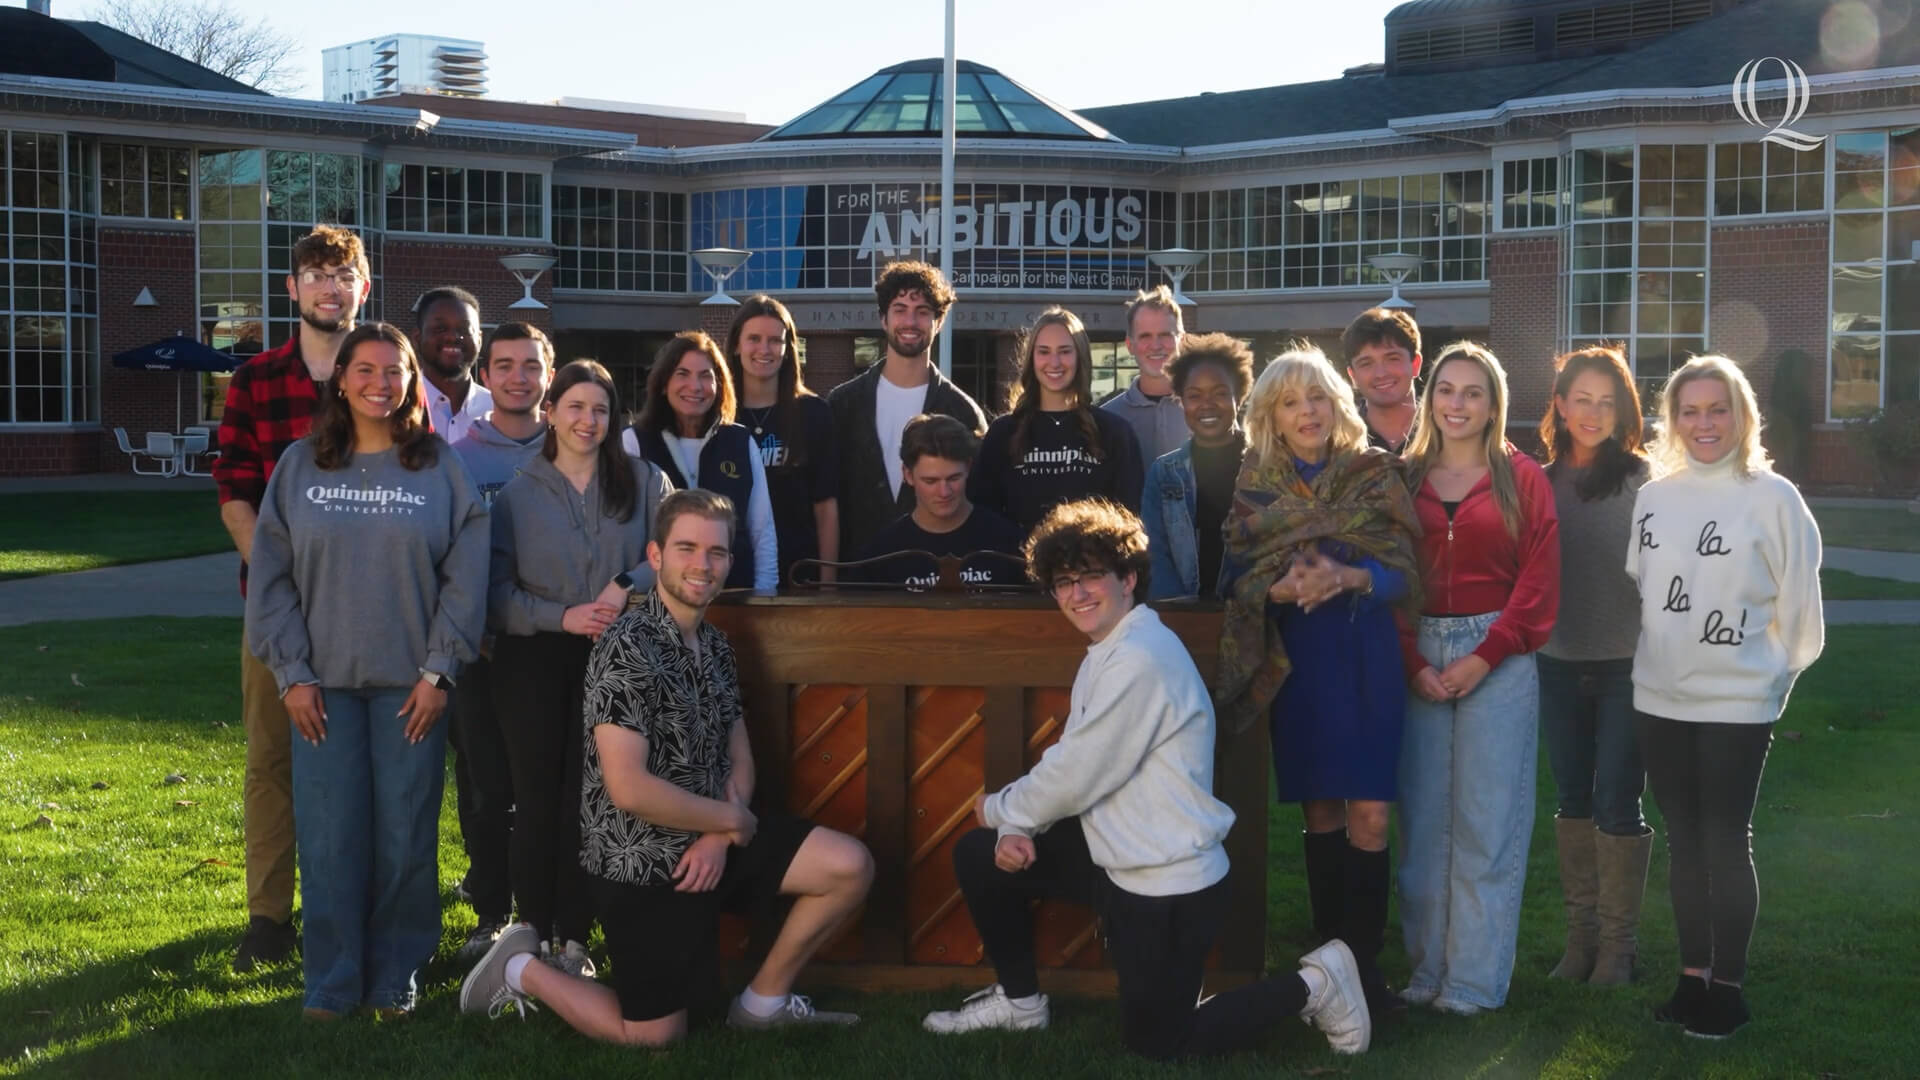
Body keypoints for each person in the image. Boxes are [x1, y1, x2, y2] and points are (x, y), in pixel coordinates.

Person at [922, 499, 1372, 1061]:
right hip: (1117, 856)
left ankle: (1317, 983)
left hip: (1169, 882)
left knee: (1161, 1044)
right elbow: (1078, 757)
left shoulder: (1139, 656)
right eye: (1064, 582)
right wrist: (1015, 826)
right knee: (982, 856)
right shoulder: (1110, 648)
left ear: (1129, 578)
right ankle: (1020, 1004)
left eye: (1092, 578)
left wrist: (999, 808)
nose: (1078, 594)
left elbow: (1079, 774)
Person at [462, 490, 875, 1044]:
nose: (702, 564)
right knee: (655, 1037)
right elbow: (628, 787)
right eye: (687, 548)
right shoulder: (625, 645)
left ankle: (761, 1003)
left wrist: (720, 836)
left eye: (716, 552)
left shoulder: (716, 646)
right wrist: (724, 822)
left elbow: (741, 758)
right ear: (655, 556)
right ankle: (519, 967)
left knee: (848, 866)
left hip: (713, 842)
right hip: (641, 859)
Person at [245, 322, 489, 1018]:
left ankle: (394, 974)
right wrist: (291, 673)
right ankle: (332, 977)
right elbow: (271, 579)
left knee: (406, 837)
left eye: (395, 371)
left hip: (410, 687)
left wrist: (440, 671)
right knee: (329, 837)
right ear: (342, 379)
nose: (381, 384)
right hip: (320, 690)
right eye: (366, 370)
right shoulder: (300, 466)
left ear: (412, 381)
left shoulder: (438, 466)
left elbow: (467, 578)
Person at [1214, 345, 1422, 1014]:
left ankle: (1363, 968)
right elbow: (1232, 581)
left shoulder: (1373, 475)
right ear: (1272, 416)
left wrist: (1351, 576)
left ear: (1338, 405)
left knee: (1370, 810)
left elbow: (1407, 575)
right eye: (1293, 402)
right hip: (1300, 669)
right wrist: (1279, 589)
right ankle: (1327, 957)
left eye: (1319, 398)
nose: (1309, 412)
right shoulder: (1254, 488)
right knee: (1323, 810)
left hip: (1366, 662)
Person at [1626, 355, 1823, 1040]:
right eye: (1690, 410)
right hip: (1659, 696)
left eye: (1718, 410)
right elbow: (1643, 583)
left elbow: (1802, 612)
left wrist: (1769, 680)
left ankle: (1728, 991)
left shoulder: (1773, 499)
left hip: (1737, 703)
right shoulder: (1655, 495)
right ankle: (1692, 980)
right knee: (1683, 842)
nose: (1703, 423)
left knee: (1723, 840)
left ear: (1742, 417)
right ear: (1672, 419)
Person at [214, 223, 372, 972]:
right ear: (293, 289)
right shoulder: (255, 382)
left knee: (359, 767)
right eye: (316, 274)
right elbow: (234, 493)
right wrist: (280, 582)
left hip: (370, 616)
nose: (329, 287)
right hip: (273, 613)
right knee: (272, 761)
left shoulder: (381, 375)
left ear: (362, 289)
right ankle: (269, 917)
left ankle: (353, 906)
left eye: (343, 275)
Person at [489, 359, 674, 978]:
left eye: (600, 409)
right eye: (574, 407)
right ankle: (532, 930)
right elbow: (495, 594)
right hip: (535, 660)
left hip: (618, 660)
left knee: (595, 798)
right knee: (538, 796)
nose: (587, 420)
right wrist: (559, 616)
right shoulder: (516, 496)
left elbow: (673, 555)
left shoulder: (645, 482)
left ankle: (577, 936)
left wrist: (627, 581)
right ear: (550, 413)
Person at [1395, 341, 1560, 1015]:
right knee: (1426, 827)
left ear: (1494, 404)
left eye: (1473, 392)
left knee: (1487, 825)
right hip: (1420, 653)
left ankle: (1473, 982)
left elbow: (1540, 580)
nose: (1456, 404)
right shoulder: (1402, 479)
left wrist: (1483, 655)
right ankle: (1427, 970)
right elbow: (1391, 579)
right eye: (1445, 389)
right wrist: (1413, 661)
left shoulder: (1522, 477)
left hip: (1499, 653)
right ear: (1429, 397)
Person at [1534, 346, 1654, 987]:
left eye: (1607, 401)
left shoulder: (1645, 483)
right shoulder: (1539, 483)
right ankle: (1580, 942)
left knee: (1617, 802)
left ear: (1623, 410)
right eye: (1581, 398)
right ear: (1559, 404)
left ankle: (1619, 950)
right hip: (1556, 665)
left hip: (1626, 669)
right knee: (1573, 799)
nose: (1593, 411)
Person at [448, 322, 556, 959]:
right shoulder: (457, 457)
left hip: (554, 649)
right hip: (482, 653)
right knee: (487, 790)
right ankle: (490, 914)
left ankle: (550, 916)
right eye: (506, 365)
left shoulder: (572, 449)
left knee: (548, 788)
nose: (519, 377)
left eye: (531, 366)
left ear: (550, 372)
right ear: (485, 376)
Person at [827, 260, 987, 558]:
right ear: (884, 319)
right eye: (900, 309)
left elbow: (976, 502)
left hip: (934, 578)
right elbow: (825, 500)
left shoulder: (962, 412)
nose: (910, 322)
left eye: (922, 312)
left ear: (938, 322)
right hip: (855, 576)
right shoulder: (842, 405)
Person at [624, 332, 777, 591]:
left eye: (706, 376)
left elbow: (761, 529)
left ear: (719, 385)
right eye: (682, 374)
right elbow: (624, 536)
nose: (695, 386)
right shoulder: (634, 442)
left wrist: (766, 592)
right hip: (661, 601)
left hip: (735, 596)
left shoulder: (740, 441)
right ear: (663, 383)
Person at [970, 307, 1144, 535]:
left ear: (1080, 356)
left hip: (1091, 568)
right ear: (1031, 358)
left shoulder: (1114, 432)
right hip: (1017, 567)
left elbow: (1129, 520)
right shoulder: (1003, 433)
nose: (1054, 362)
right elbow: (983, 514)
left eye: (1064, 351)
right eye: (1044, 351)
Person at [725, 295, 840, 585]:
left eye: (775, 340)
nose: (764, 349)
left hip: (800, 575)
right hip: (731, 576)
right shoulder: (719, 415)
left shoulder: (813, 412)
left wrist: (827, 585)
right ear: (737, 346)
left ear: (788, 350)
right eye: (754, 338)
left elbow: (825, 507)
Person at [853, 414, 1027, 589]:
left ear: (968, 468)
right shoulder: (881, 555)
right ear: (908, 475)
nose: (944, 492)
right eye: (930, 481)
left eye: (953, 478)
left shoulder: (1010, 544)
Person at [1142, 333, 1254, 601]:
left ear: (1239, 396)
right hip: (1184, 616)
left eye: (1220, 393)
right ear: (1181, 400)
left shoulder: (1267, 466)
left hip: (1252, 613)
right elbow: (1155, 554)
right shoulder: (1164, 473)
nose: (1207, 404)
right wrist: (1184, 616)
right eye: (1194, 395)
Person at [1100, 285, 1188, 470]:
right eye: (1145, 336)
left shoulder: (1208, 409)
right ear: (1129, 345)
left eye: (1165, 335)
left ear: (1182, 340)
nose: (1155, 345)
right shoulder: (1106, 419)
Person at [413, 286, 491, 444]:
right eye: (440, 329)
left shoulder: (497, 410)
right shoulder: (397, 408)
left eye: (465, 329)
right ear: (417, 338)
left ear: (479, 340)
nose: (452, 337)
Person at [1341, 308, 1423, 454]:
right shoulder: (1339, 441)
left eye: (1392, 359)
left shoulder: (1445, 433)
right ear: (1352, 375)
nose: (1381, 373)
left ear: (1415, 364)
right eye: (1366, 363)